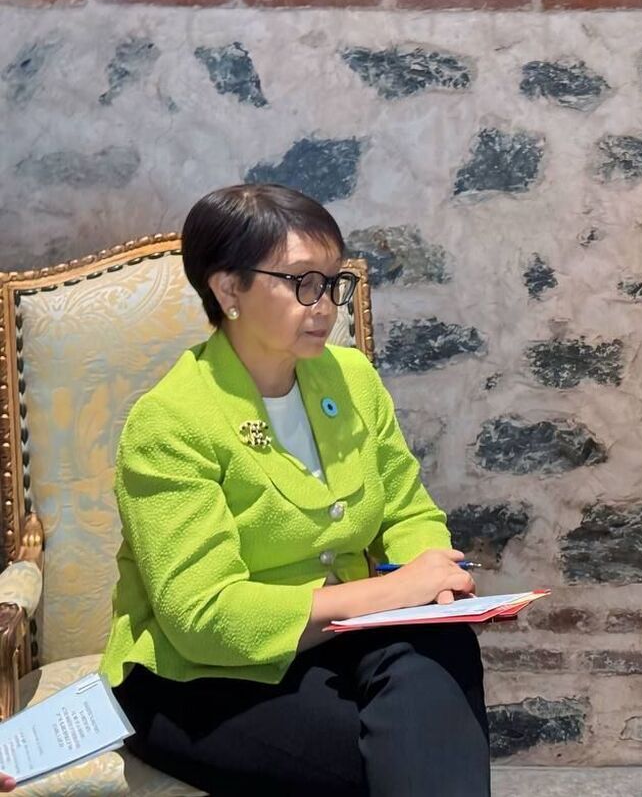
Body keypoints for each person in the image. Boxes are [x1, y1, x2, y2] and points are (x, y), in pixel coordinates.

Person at [98, 183, 489, 796]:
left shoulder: (351, 378)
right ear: (229, 290)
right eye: (302, 282)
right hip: (199, 676)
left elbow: (407, 510)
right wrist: (389, 592)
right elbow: (202, 617)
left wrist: (434, 580)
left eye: (332, 282)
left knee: (443, 653)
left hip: (340, 640)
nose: (325, 305)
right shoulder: (170, 421)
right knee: (408, 755)